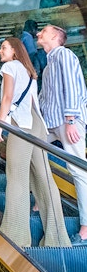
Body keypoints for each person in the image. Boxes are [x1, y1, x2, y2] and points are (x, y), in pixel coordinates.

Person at [0, 37, 71, 248]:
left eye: (4, 48)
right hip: (37, 124)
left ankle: (15, 236)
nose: (0, 51)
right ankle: (58, 239)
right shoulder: (28, 70)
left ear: (15, 51)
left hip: (22, 123)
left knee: (17, 176)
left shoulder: (10, 67)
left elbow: (7, 98)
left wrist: (0, 125)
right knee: (44, 178)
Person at [37, 24, 87, 245]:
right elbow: (45, 98)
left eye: (44, 32)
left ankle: (86, 226)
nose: (39, 34)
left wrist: (70, 121)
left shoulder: (64, 55)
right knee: (31, 147)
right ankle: (43, 197)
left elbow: (72, 89)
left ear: (56, 37)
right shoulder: (48, 64)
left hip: (69, 121)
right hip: (52, 122)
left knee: (78, 170)